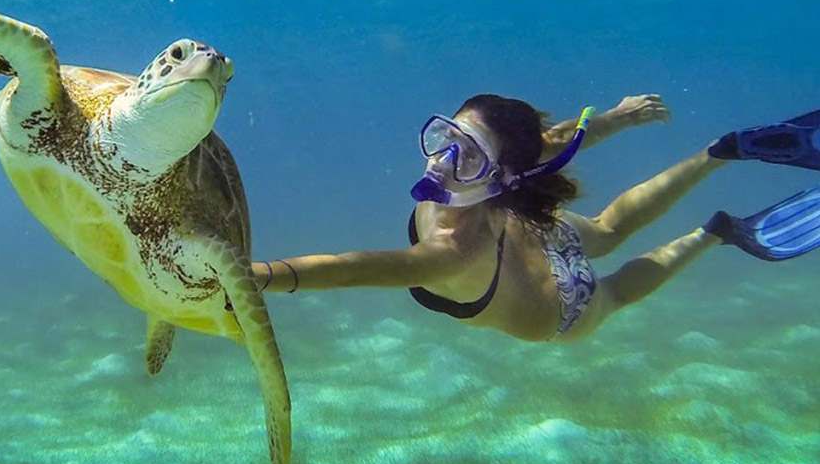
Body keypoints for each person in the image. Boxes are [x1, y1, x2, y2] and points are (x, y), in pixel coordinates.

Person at [252, 95, 820, 341]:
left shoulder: (452, 252)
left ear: (500, 176)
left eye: (466, 153)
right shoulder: (505, 179)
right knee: (605, 230)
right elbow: (551, 143)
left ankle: (710, 234)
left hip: (557, 308)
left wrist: (258, 277)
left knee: (615, 292)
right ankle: (714, 154)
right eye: (445, 137)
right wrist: (620, 117)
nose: (441, 160)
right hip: (520, 232)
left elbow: (351, 270)